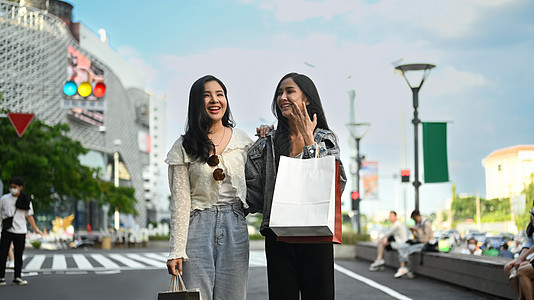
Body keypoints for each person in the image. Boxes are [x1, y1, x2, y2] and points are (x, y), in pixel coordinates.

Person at [246, 72, 347, 300]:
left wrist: (310, 142)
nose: (282, 97)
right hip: (278, 234)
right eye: (279, 93)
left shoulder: (324, 138)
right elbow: (253, 191)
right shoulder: (270, 142)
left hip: (316, 231)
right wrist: (259, 143)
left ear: (307, 98)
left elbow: (336, 186)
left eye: (289, 91)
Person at [165, 75, 252, 300]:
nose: (214, 100)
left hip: (235, 226)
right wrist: (176, 250)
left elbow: (259, 179)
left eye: (219, 94)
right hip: (197, 227)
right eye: (206, 95)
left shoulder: (244, 141)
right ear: (196, 102)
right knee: (196, 296)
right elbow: (180, 202)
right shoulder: (184, 146)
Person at [0, 176, 42, 286]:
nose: (12, 189)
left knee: (18, 255)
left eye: (15, 187)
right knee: (2, 254)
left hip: (21, 231)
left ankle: (17, 277)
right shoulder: (4, 199)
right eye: (11, 187)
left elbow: (29, 216)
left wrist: (35, 229)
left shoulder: (26, 199)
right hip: (7, 230)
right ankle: (1, 277)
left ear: (20, 187)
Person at [505, 204, 534, 299]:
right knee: (508, 267)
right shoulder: (531, 228)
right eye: (532, 215)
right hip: (531, 257)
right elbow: (528, 245)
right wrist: (519, 259)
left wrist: (521, 259)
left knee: (522, 270)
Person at [394, 209, 434, 278]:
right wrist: (413, 232)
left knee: (409, 251)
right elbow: (418, 237)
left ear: (418, 216)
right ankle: (403, 268)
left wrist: (417, 230)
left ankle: (409, 270)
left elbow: (425, 239)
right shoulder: (418, 224)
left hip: (425, 244)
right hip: (419, 243)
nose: (415, 221)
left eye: (415, 219)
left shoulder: (426, 224)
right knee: (403, 247)